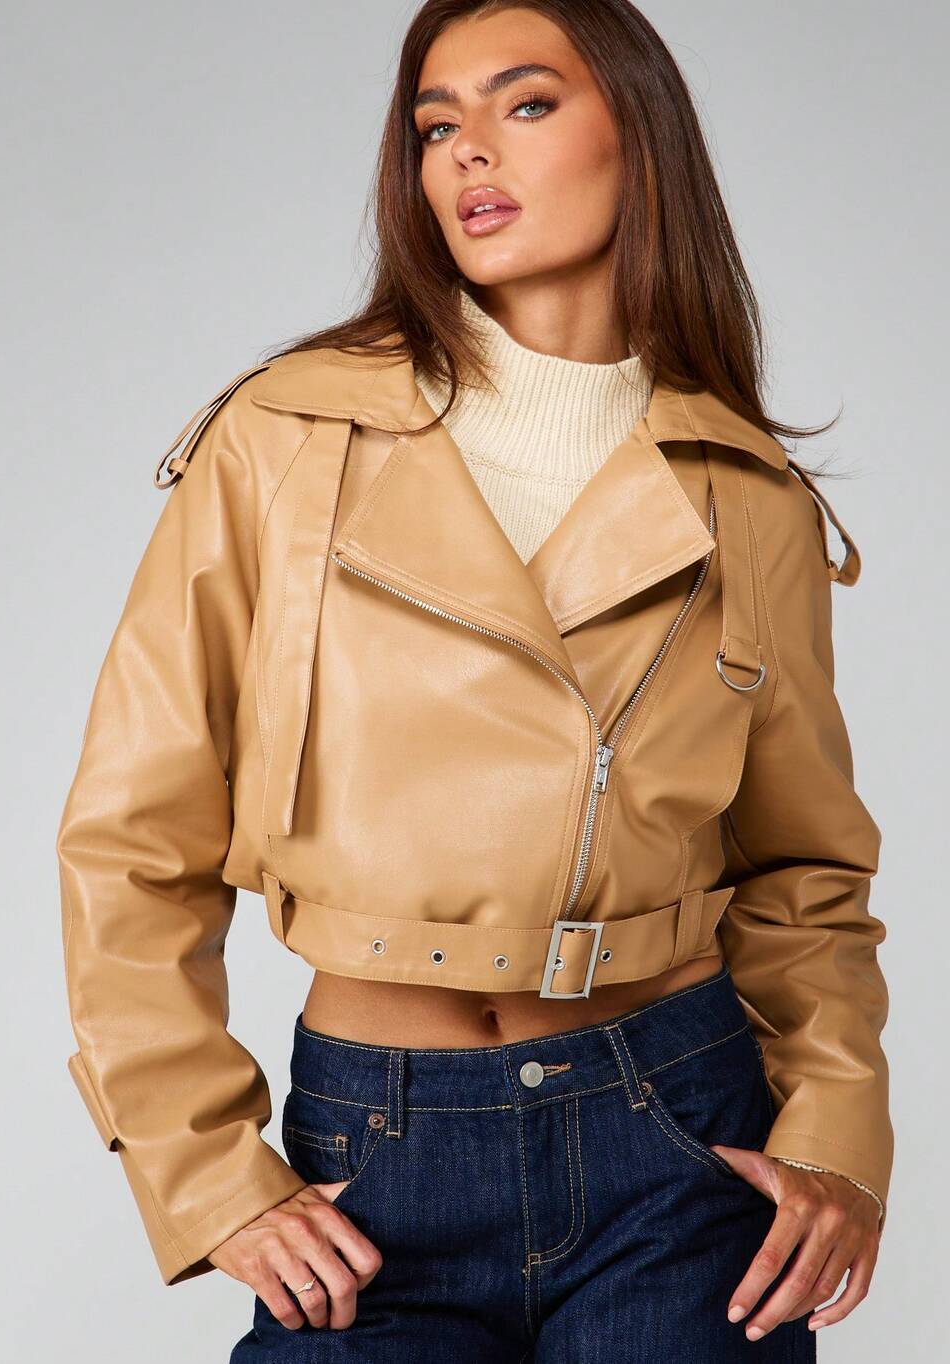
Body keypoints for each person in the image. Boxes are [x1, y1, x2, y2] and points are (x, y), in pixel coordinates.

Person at [56, 2, 893, 1359]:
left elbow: (804, 871)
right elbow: (130, 837)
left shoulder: (749, 494)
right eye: (436, 124)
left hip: (677, 1136)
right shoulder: (289, 436)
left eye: (527, 104)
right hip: (377, 1145)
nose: (468, 153)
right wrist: (205, 1167)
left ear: (640, 134)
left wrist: (839, 1139)